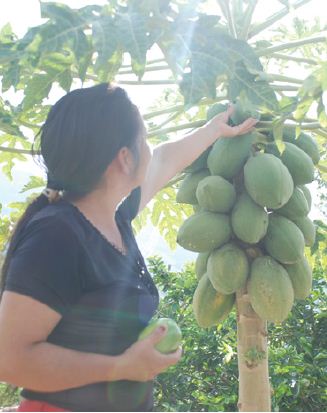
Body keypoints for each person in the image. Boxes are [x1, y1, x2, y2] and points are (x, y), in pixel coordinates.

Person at [0, 83, 257, 412]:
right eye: (144, 139)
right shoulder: (56, 235)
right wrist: (120, 368)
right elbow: (10, 359)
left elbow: (164, 160)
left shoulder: (114, 219)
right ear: (124, 158)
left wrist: (214, 129)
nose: (149, 149)